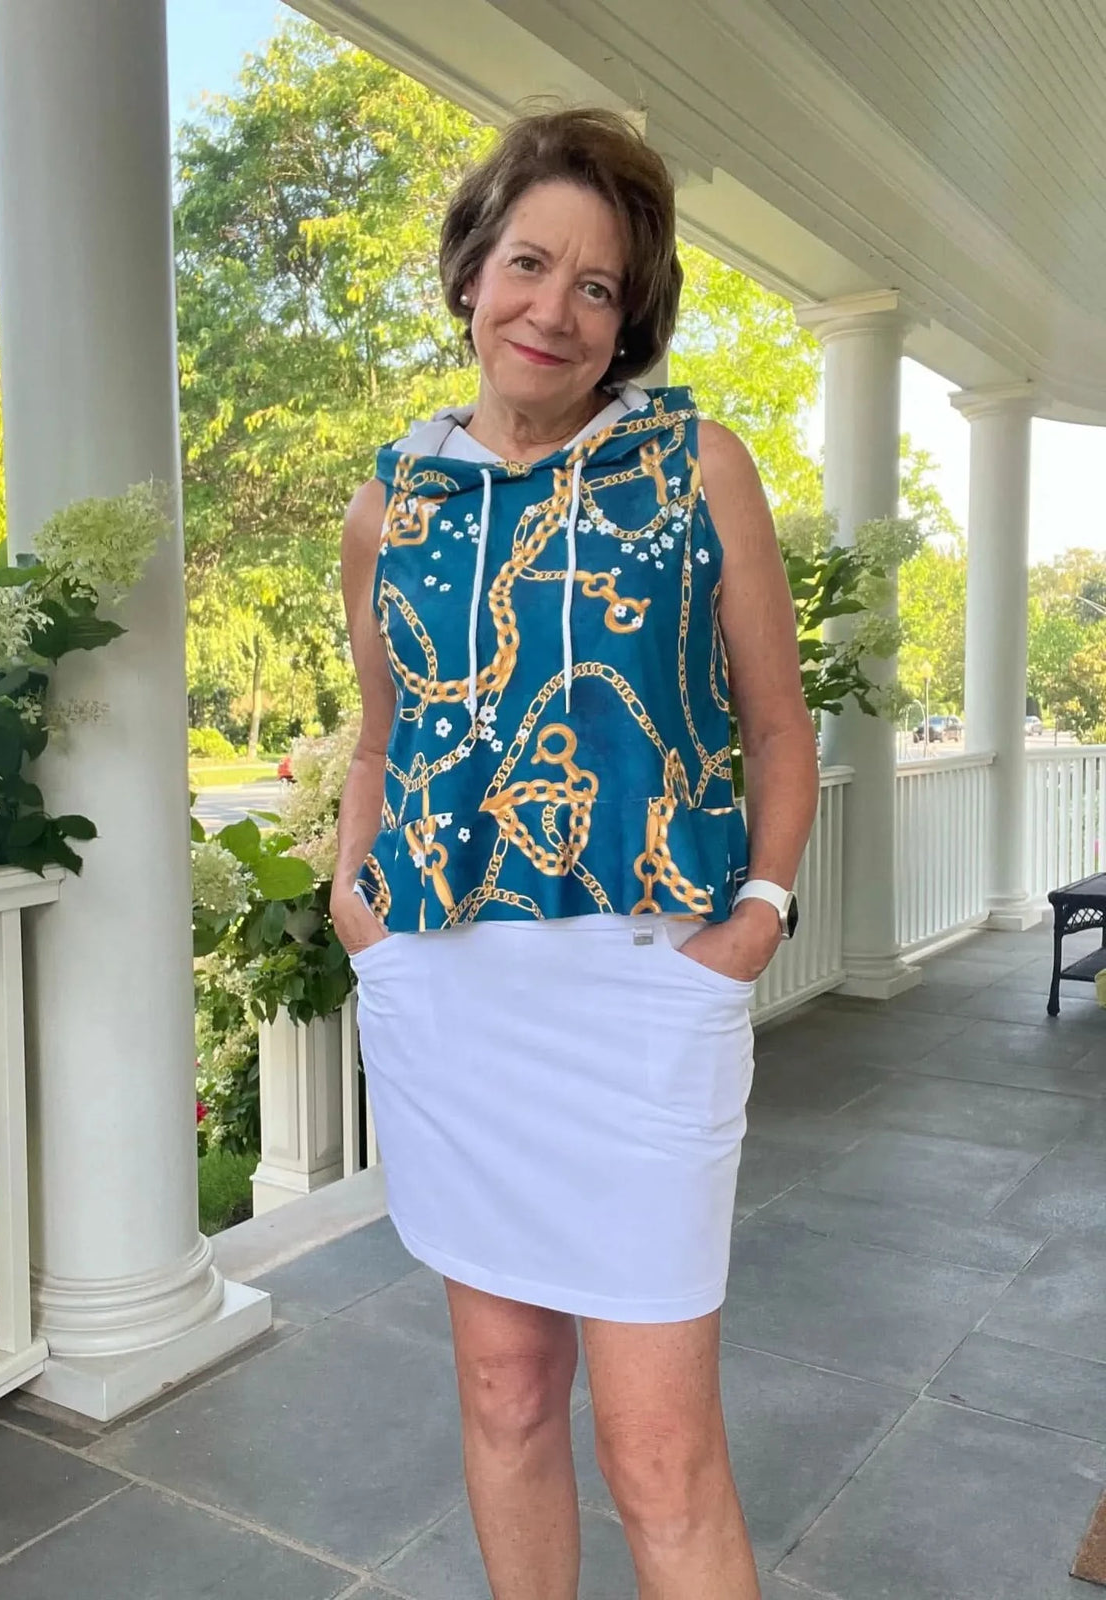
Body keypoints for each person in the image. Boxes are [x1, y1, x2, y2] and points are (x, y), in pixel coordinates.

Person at [330, 108, 819, 1600]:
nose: (553, 306)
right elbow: (377, 736)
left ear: (629, 321)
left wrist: (757, 918)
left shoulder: (696, 468)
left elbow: (779, 730)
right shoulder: (389, 505)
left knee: (662, 1455)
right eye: (528, 263)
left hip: (641, 990)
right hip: (452, 996)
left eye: (598, 286)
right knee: (504, 1393)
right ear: (473, 275)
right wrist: (361, 906)